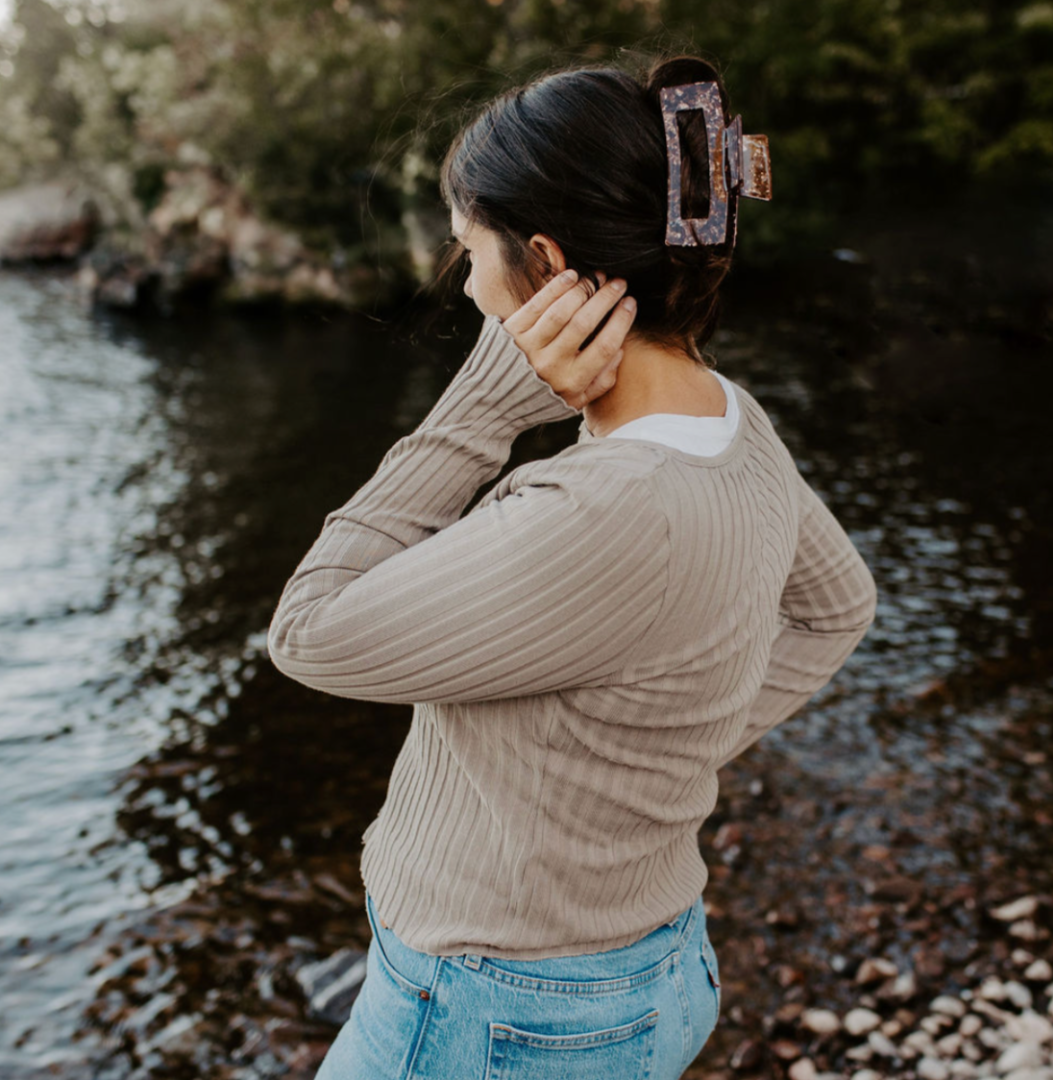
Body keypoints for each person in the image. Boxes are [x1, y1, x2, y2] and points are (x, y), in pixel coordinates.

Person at [267, 51, 877, 1080]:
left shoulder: (598, 508)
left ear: (546, 263)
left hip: (501, 1012)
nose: (466, 284)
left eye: (470, 253)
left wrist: (488, 406)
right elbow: (835, 608)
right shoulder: (730, 420)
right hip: (654, 970)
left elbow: (307, 635)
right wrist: (661, 758)